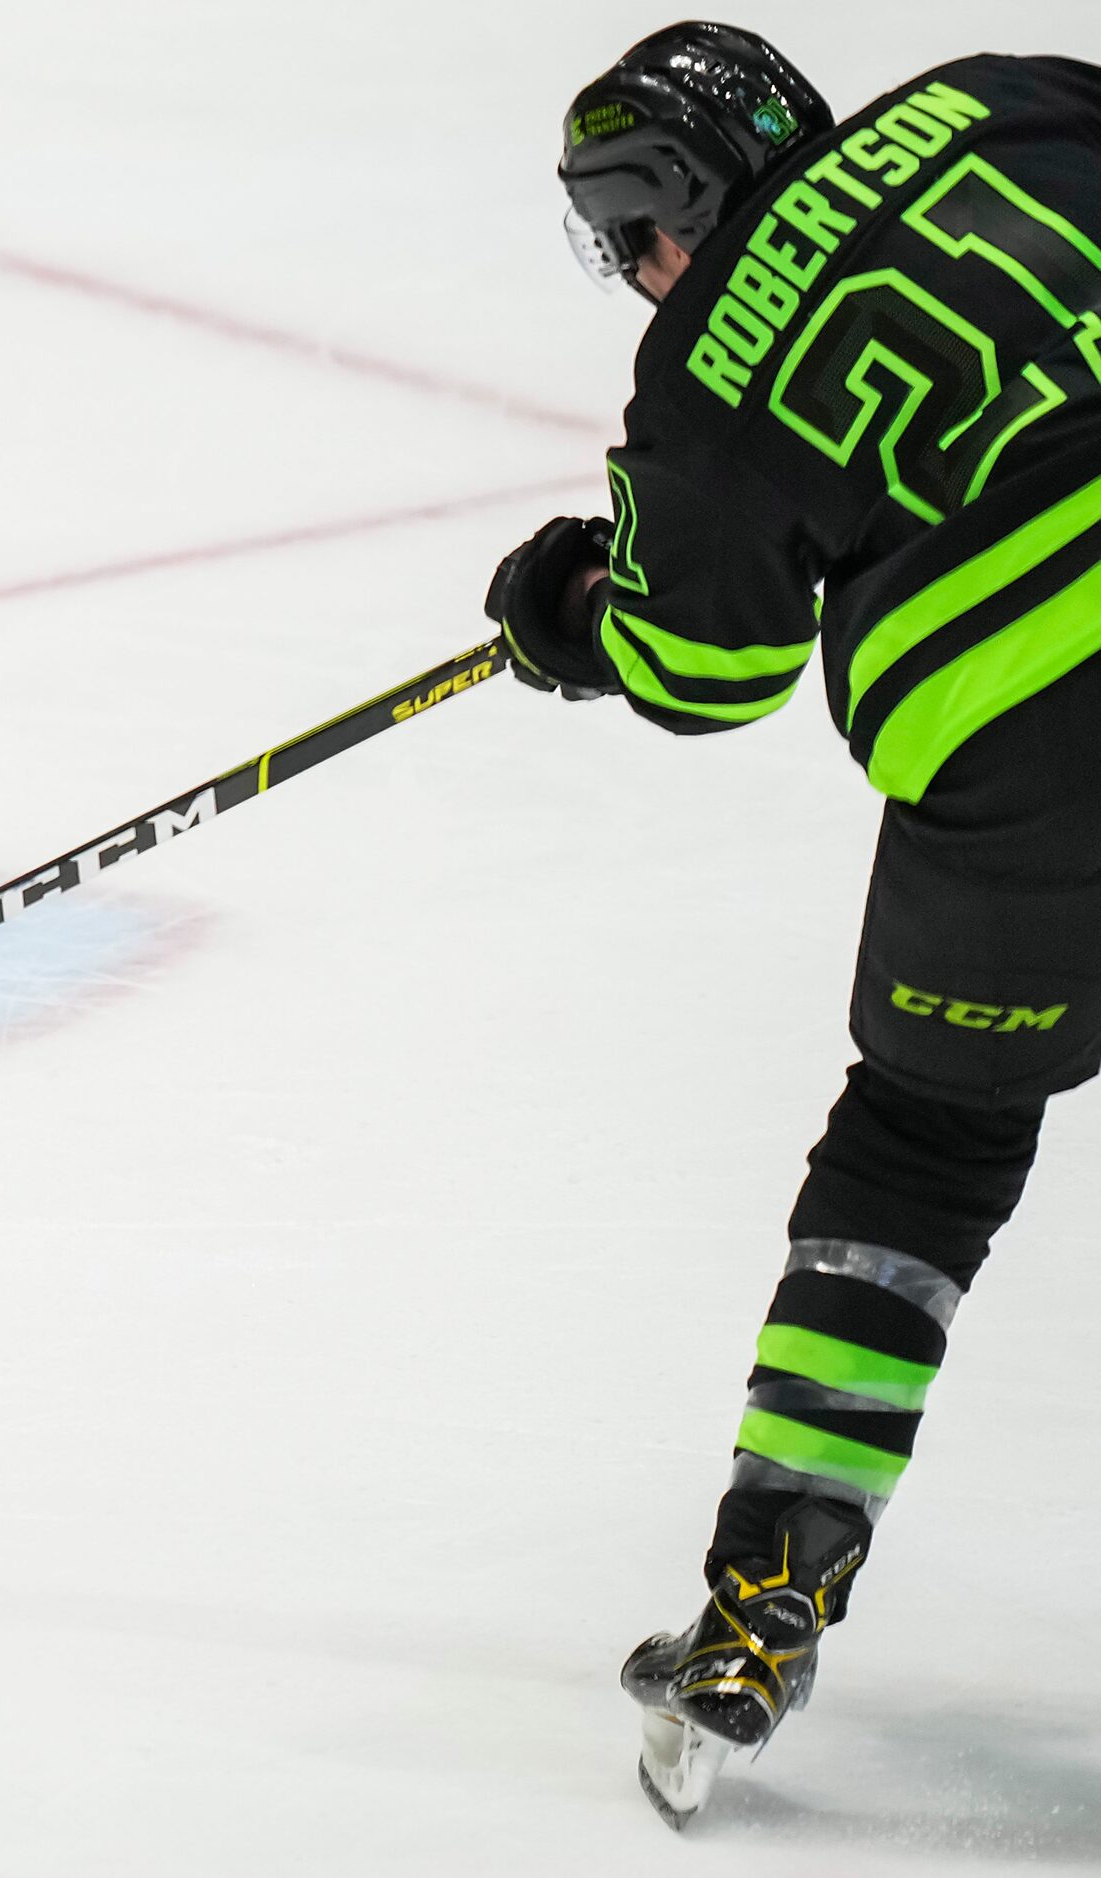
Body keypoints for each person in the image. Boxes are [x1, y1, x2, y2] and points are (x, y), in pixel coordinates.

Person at [486, 21, 1101, 1825]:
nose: (634, 271)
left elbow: (706, 668)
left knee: (920, 1157)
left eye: (626, 229)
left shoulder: (706, 361)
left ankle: (766, 1601)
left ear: (673, 204)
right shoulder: (1003, 92)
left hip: (1026, 788)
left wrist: (573, 613)